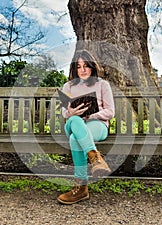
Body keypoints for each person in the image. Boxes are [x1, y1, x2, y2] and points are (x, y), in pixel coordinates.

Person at [57, 49, 115, 205]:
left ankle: (81, 188)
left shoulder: (102, 84)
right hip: (73, 122)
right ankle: (96, 159)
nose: (82, 70)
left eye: (86, 66)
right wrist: (70, 112)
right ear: (74, 69)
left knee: (75, 138)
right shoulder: (68, 86)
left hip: (97, 125)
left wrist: (91, 116)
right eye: (78, 66)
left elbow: (110, 111)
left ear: (92, 67)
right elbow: (64, 113)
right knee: (76, 122)